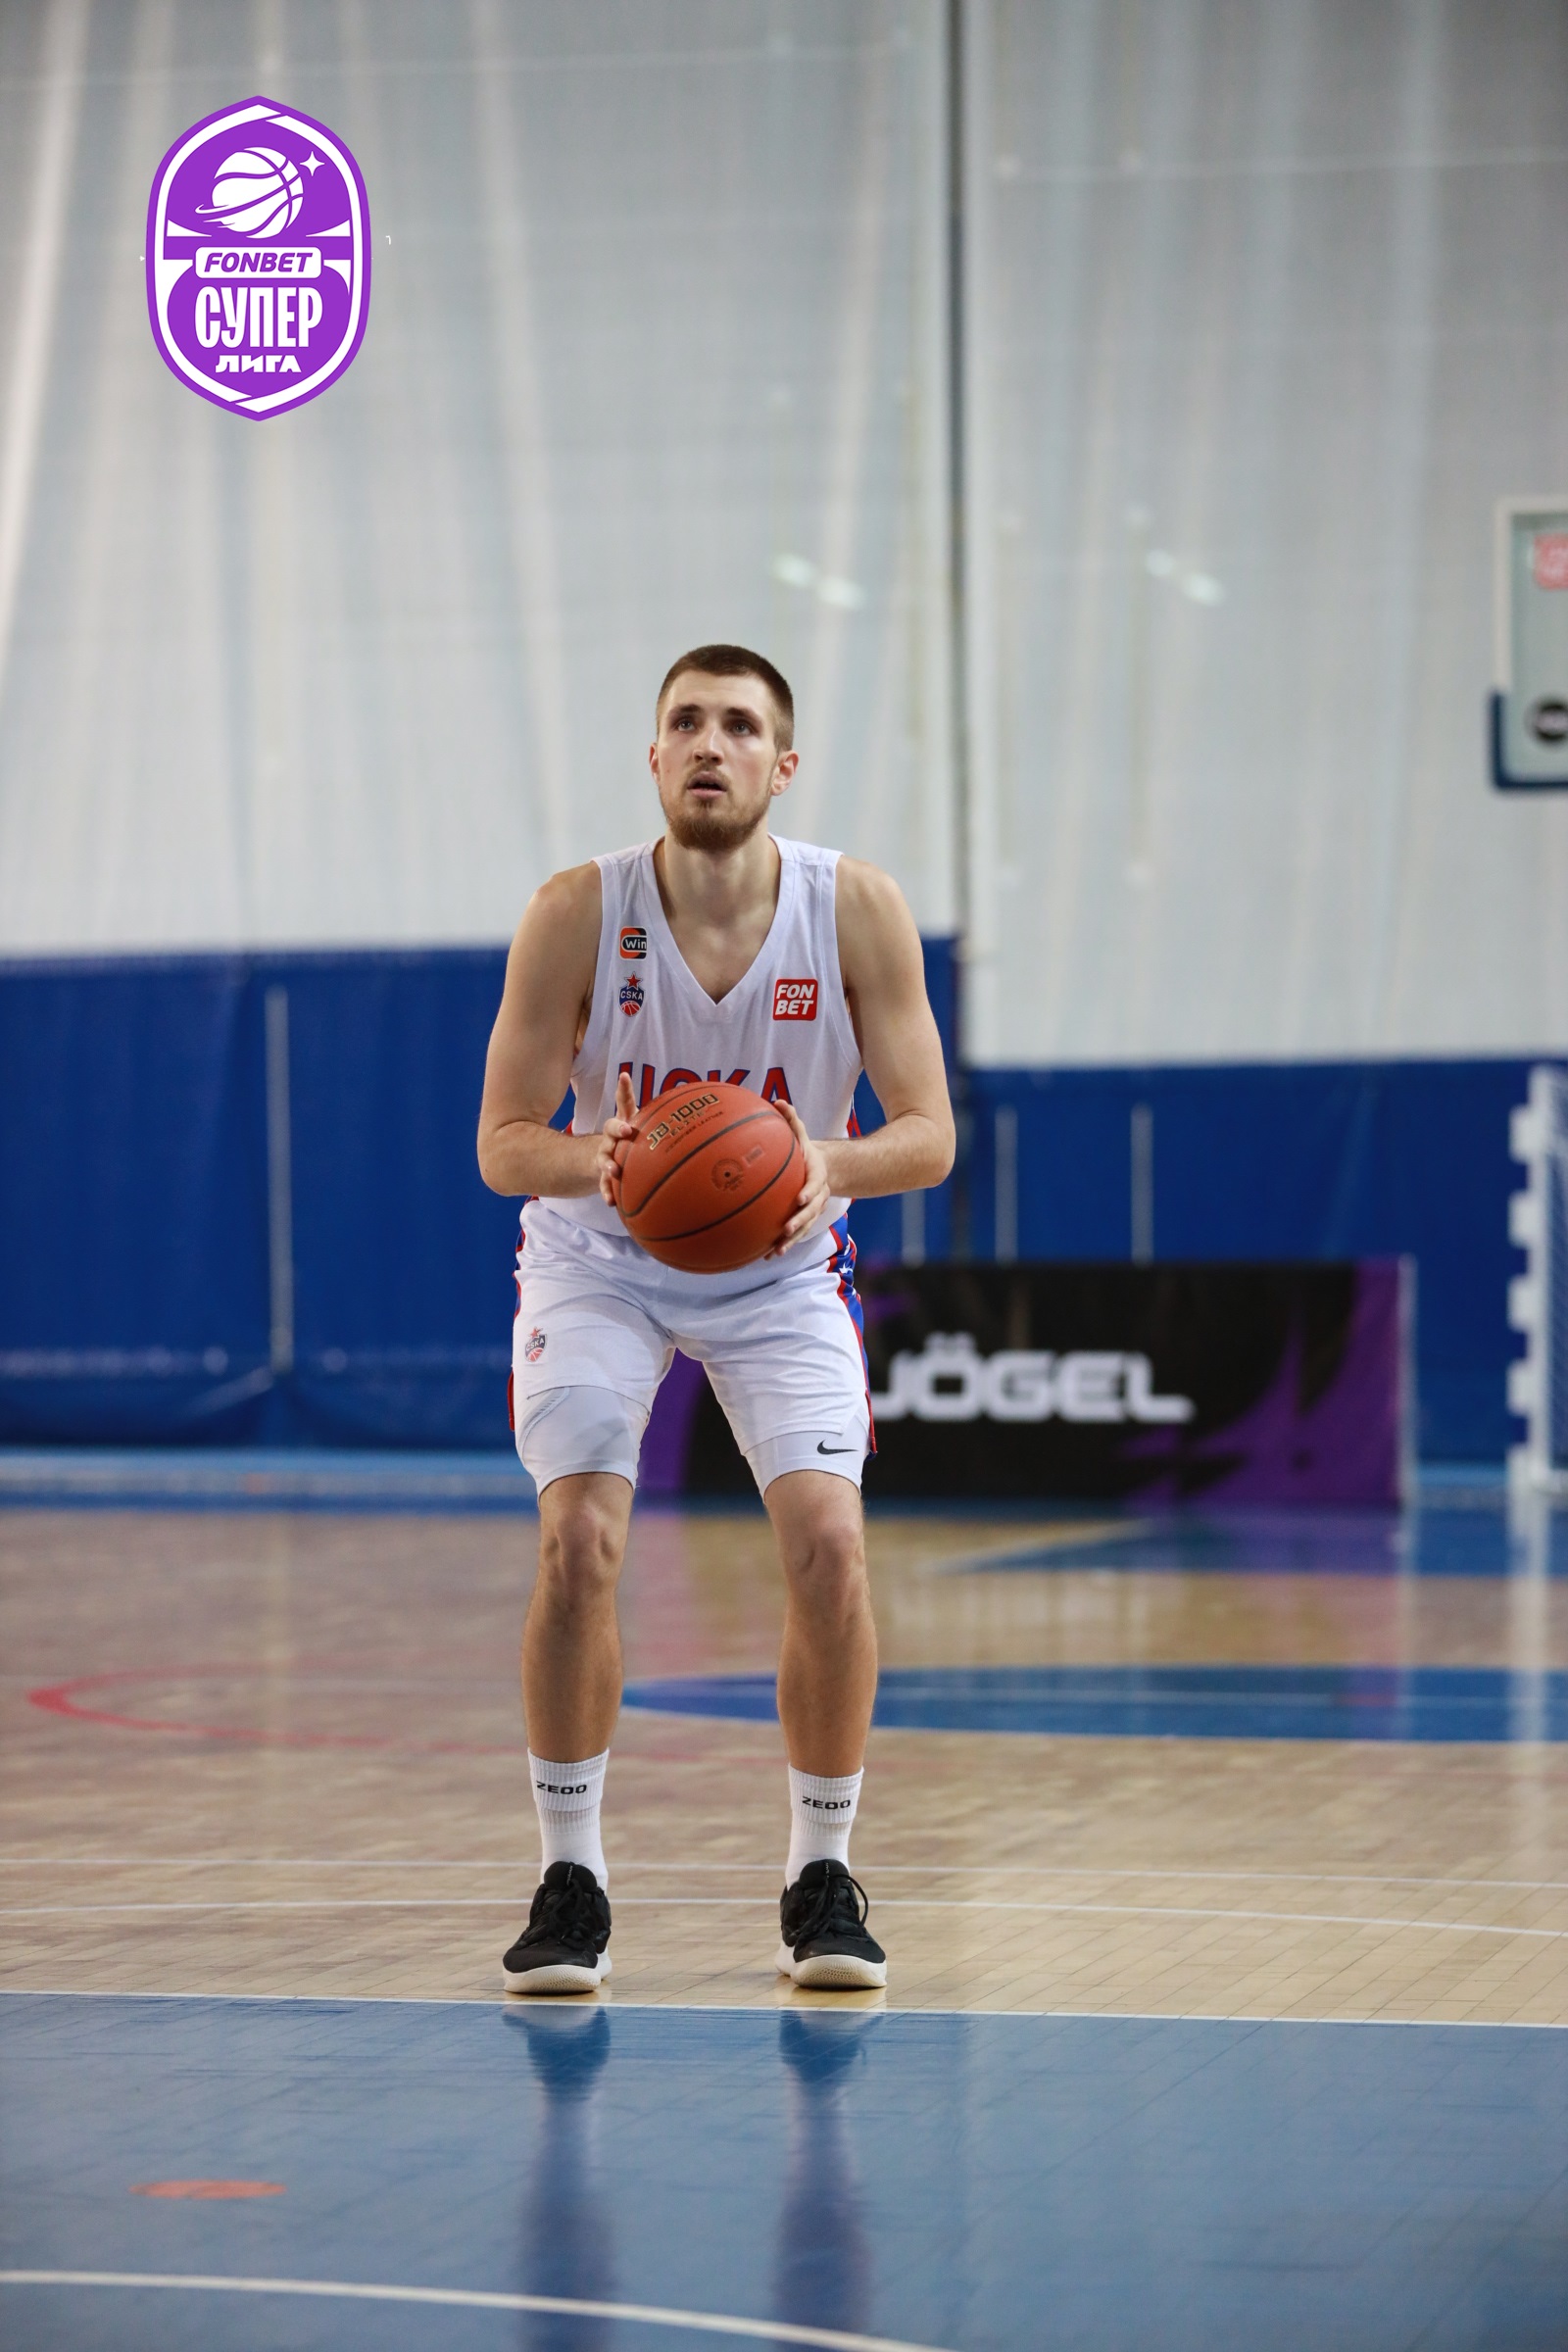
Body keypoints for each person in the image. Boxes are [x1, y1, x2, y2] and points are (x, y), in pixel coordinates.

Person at [477, 644, 955, 1994]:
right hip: (600, 1256)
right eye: (685, 721)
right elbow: (504, 1145)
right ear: (653, 756)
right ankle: (571, 1877)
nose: (709, 743)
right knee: (579, 1540)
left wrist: (821, 1163)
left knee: (831, 1550)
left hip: (784, 1262)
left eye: (740, 725)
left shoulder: (855, 908)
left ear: (782, 765)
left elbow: (929, 1135)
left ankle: (823, 1873)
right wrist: (608, 1159)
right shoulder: (577, 911)